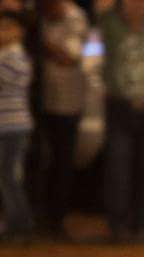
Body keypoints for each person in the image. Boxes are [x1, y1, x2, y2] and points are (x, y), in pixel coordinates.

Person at [95, 0, 144, 242]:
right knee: (116, 167)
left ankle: (142, 223)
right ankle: (117, 225)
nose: (137, 5)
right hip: (120, 106)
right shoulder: (110, 24)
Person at [37, 0, 88, 239]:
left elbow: (70, 57)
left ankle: (55, 221)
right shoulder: (38, 16)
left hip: (66, 103)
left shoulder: (73, 17)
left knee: (62, 163)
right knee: (37, 162)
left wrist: (38, 41)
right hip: (38, 103)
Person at [0, 10, 32, 241]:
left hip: (11, 126)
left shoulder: (13, 58)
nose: (4, 32)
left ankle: (19, 223)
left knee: (8, 176)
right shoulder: (10, 56)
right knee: (8, 175)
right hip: (10, 125)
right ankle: (17, 222)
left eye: (9, 27)